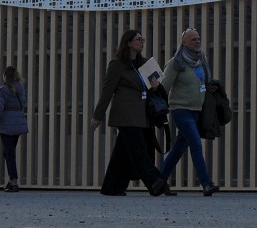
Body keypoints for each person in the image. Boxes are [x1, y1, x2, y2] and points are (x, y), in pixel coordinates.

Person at [93, 28, 166, 197]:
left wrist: (155, 88)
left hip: (142, 115)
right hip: (125, 115)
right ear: (128, 43)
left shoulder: (145, 64)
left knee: (123, 152)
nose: (142, 42)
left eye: (142, 39)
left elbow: (157, 90)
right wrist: (98, 116)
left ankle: (111, 186)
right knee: (138, 150)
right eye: (138, 39)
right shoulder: (117, 65)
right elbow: (107, 91)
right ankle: (154, 181)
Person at [155, 28, 220, 196]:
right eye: (193, 39)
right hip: (180, 109)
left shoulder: (201, 61)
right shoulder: (176, 62)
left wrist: (209, 87)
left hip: (197, 111)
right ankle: (206, 183)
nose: (197, 41)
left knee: (178, 149)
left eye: (198, 38)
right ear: (183, 43)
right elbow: (164, 87)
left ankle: (159, 182)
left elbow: (201, 83)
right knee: (195, 143)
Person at [0, 66, 29, 191]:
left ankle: (13, 181)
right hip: (18, 122)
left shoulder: (3, 90)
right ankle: (12, 180)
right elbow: (24, 104)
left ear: (5, 76)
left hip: (6, 124)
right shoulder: (20, 88)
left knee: (9, 153)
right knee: (8, 152)